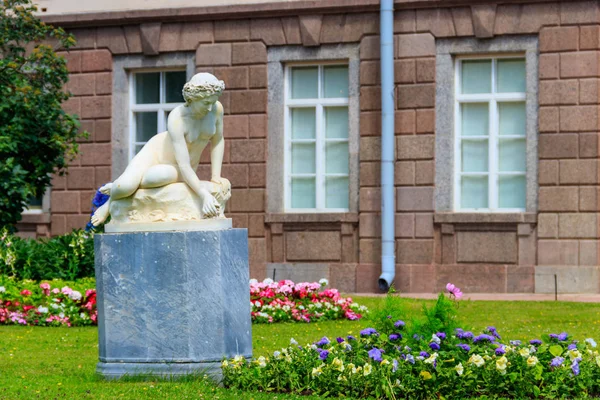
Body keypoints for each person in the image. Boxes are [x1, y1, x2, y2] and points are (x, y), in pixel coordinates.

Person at [91, 72, 229, 227]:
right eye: (205, 103)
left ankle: (128, 185)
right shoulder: (177, 118)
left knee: (165, 175)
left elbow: (218, 140)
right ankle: (109, 202)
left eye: (213, 101)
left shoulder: (216, 109)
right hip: (156, 154)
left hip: (178, 170)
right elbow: (183, 164)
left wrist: (216, 176)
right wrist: (203, 194)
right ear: (192, 98)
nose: (210, 107)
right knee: (126, 186)